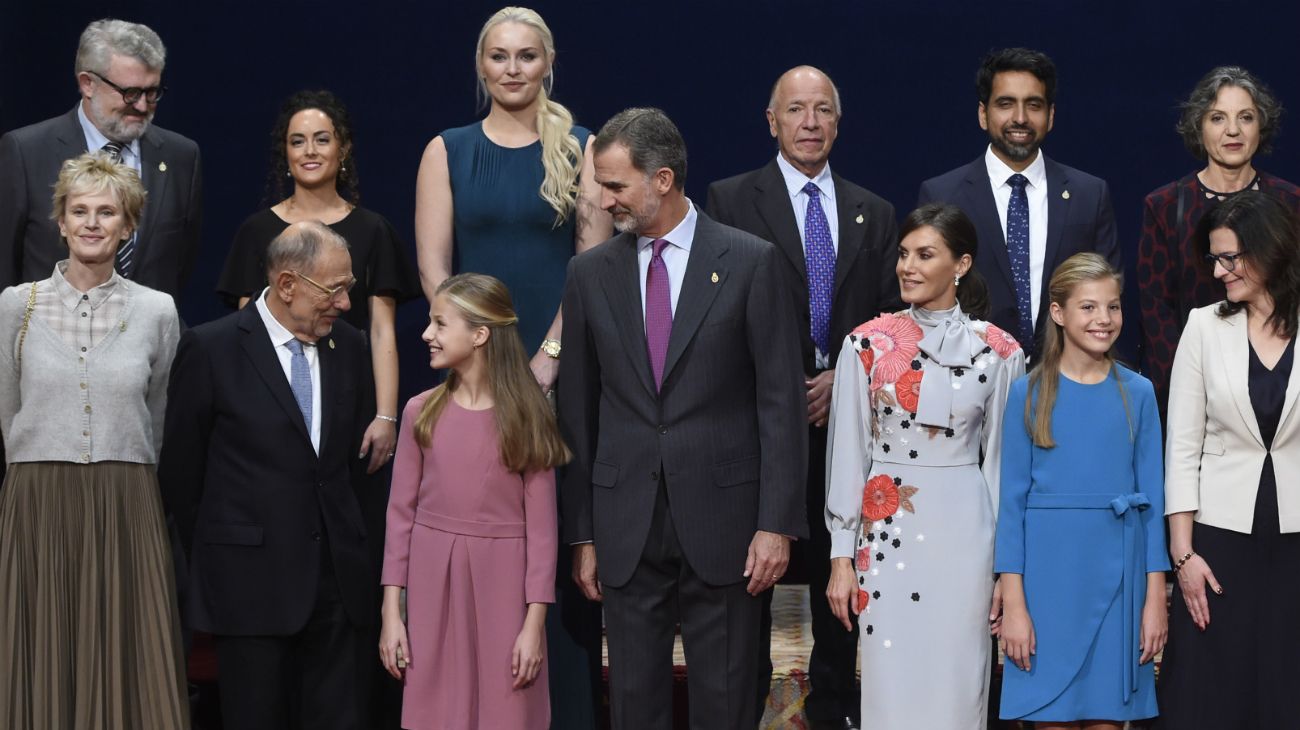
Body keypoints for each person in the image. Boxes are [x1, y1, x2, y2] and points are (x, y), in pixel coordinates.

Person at [558, 107, 807, 730]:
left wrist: (776, 523)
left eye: (615, 185)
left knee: (724, 703)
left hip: (727, 522)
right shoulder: (589, 273)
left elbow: (780, 405)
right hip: (624, 524)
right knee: (635, 707)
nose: (603, 199)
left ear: (662, 179)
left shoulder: (751, 262)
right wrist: (582, 533)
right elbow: (579, 412)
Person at [414, 8, 611, 723]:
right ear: (480, 65)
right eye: (499, 56)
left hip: (559, 367)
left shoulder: (582, 147)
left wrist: (548, 358)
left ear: (549, 60)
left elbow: (591, 267)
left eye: (527, 56)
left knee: (553, 543)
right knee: (482, 542)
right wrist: (475, 360)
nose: (513, 69)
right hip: (471, 370)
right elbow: (437, 270)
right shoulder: (448, 149)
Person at [705, 64, 899, 729]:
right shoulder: (729, 202)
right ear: (772, 121)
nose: (809, 122)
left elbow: (886, 322)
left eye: (822, 110)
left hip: (850, 431)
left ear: (838, 123)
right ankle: (744, 707)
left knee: (839, 579)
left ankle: (835, 710)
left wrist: (844, 379)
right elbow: (719, 317)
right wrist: (790, 384)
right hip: (760, 429)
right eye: (796, 109)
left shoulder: (876, 210)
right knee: (750, 580)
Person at [159, 221, 377, 730]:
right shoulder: (210, 349)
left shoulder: (349, 347)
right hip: (248, 588)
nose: (345, 303)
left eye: (349, 288)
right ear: (286, 285)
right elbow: (182, 475)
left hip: (336, 591)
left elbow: (350, 470)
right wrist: (227, 552)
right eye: (335, 289)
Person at [0, 153, 188, 729]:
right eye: (78, 210)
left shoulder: (157, 311)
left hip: (124, 499)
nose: (91, 222)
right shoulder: (15, 305)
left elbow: (155, 413)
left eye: (106, 212)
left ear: (127, 225)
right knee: (43, 646)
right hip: (39, 497)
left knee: (127, 649)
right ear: (59, 221)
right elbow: (10, 410)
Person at [825, 203, 1025, 730]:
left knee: (959, 684)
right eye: (903, 253)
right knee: (892, 682)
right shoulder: (866, 344)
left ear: (961, 264)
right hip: (887, 533)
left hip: (966, 536)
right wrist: (841, 557)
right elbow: (847, 455)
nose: (907, 266)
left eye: (925, 254)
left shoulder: (1000, 352)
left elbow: (1004, 469)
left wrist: (1008, 569)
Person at [378, 273, 564, 730]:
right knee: (436, 711)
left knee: (507, 710)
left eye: (441, 324)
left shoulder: (527, 416)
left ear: (480, 334)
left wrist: (533, 626)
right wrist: (391, 614)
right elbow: (399, 517)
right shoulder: (420, 412)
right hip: (432, 590)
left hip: (503, 591)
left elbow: (543, 534)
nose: (427, 334)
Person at [995, 253, 1169, 728]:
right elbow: (1010, 507)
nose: (1104, 320)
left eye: (1113, 307)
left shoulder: (1139, 393)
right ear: (1058, 313)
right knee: (1051, 716)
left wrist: (1155, 599)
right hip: (1047, 583)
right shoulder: (1026, 394)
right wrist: (1014, 604)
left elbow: (1153, 502)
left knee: (1109, 719)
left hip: (1121, 579)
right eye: (1088, 307)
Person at [218, 89, 421, 476]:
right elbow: (245, 335)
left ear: (342, 149)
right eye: (298, 141)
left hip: (350, 399)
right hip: (271, 404)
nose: (309, 150)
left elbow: (381, 332)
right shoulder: (257, 231)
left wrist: (387, 417)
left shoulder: (372, 230)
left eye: (321, 139)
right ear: (285, 154)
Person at [1157, 191, 1300, 730]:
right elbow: (1182, 444)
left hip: (1295, 542)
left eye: (1231, 257)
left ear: (1272, 248)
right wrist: (1183, 555)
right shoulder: (1203, 326)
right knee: (1213, 695)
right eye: (1215, 259)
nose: (1220, 271)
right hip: (1218, 541)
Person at [917, 48, 1119, 360]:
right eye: (1006, 104)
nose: (1020, 118)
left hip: (1064, 378)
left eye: (1033, 105)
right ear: (983, 114)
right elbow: (926, 298)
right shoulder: (942, 195)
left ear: (1050, 116)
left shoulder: (1089, 195)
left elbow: (1108, 294)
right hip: (968, 382)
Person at [1137, 66, 1300, 418]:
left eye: (1246, 117)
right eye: (1217, 118)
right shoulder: (1165, 207)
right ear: (1199, 126)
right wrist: (1189, 390)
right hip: (1194, 392)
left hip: (1284, 391)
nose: (1232, 130)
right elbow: (1156, 313)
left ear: (1262, 126)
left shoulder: (1290, 203)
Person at [0, 18, 202, 298]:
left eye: (152, 92)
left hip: (147, 339)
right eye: (130, 93)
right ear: (88, 84)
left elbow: (181, 264)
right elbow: (5, 266)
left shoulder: (181, 156)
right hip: (51, 335)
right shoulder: (25, 152)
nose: (142, 105)